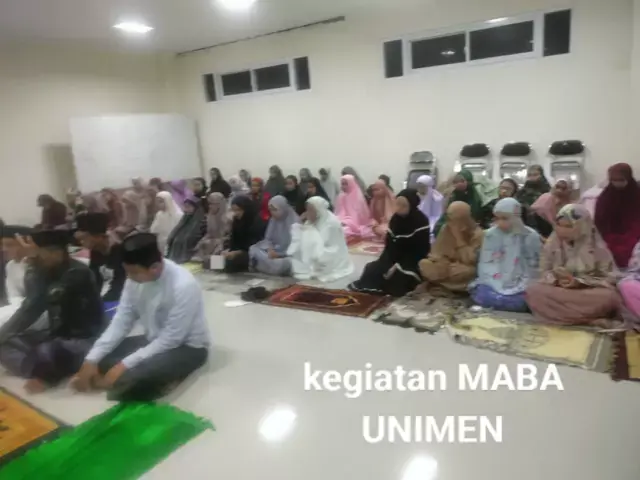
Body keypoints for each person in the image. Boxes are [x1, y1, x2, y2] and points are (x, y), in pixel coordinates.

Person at [71, 233, 210, 402]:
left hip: (187, 347)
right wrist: (91, 360)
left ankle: (150, 379)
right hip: (152, 339)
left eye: (134, 272)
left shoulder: (184, 285)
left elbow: (172, 339)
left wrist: (123, 365)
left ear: (155, 267)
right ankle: (115, 376)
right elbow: (122, 320)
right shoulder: (134, 279)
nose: (129, 277)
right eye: (127, 272)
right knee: (92, 356)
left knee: (134, 379)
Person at [0, 230, 105, 393]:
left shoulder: (78, 273)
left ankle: (47, 372)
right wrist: (3, 334)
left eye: (39, 253)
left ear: (57, 253)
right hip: (55, 335)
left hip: (83, 339)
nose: (37, 257)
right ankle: (45, 369)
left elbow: (41, 300)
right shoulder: (45, 268)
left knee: (47, 350)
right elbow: (28, 310)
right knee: (6, 342)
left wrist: (33, 267)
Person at [526, 204, 620, 328]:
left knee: (610, 297)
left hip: (586, 293)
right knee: (534, 291)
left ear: (583, 225)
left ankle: (564, 317)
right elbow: (544, 271)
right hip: (559, 290)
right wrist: (556, 278)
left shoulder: (597, 247)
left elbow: (611, 278)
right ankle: (589, 320)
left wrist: (579, 282)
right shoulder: (553, 243)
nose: (562, 230)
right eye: (559, 225)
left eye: (569, 226)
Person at [349, 190, 430, 296]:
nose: (399, 208)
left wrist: (398, 265)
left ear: (412, 205)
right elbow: (390, 245)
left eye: (404, 205)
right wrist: (387, 261)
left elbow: (420, 249)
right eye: (398, 204)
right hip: (393, 256)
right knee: (372, 269)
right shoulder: (395, 219)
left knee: (399, 278)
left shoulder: (421, 221)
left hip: (412, 259)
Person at [471, 198, 542, 312]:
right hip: (494, 282)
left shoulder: (530, 236)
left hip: (521, 284)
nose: (500, 222)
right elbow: (485, 263)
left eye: (505, 218)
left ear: (516, 217)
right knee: (482, 293)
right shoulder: (491, 235)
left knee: (530, 297)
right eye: (497, 218)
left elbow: (534, 267)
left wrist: (517, 282)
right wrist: (498, 281)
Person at [419, 201, 484, 295]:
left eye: (455, 219)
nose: (450, 222)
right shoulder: (446, 228)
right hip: (448, 266)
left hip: (463, 269)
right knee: (424, 264)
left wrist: (459, 238)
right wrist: (444, 263)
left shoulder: (478, 234)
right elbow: (436, 254)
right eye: (449, 218)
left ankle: (443, 284)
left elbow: (471, 260)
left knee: (469, 272)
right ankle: (449, 285)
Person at [288, 196, 354, 282]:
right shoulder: (311, 221)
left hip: (331, 254)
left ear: (318, 210)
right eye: (307, 210)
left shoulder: (331, 223)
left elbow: (333, 248)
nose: (307, 213)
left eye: (311, 210)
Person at [594, 163, 640, 268]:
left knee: (631, 249)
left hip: (633, 235)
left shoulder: (637, 195)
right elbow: (599, 222)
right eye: (614, 180)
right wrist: (608, 237)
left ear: (628, 178)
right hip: (609, 236)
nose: (617, 183)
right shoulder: (605, 197)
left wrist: (631, 236)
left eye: (621, 180)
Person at [75, 213, 127, 304]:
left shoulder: (120, 251)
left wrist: (100, 302)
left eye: (84, 238)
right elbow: (94, 278)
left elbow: (120, 285)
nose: (81, 243)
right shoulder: (96, 250)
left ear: (99, 236)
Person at [249, 196, 299, 276]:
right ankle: (268, 266)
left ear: (283, 208)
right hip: (273, 252)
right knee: (253, 249)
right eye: (270, 210)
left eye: (275, 210)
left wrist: (279, 254)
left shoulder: (295, 222)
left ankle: (263, 266)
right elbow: (268, 238)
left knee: (285, 263)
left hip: (286, 255)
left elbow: (296, 247)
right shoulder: (273, 220)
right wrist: (270, 249)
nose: (272, 213)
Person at [432, 169, 484, 237]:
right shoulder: (453, 195)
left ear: (468, 182)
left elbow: (474, 217)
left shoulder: (475, 198)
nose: (458, 183)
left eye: (462, 181)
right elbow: (446, 214)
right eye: (456, 181)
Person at [224, 196, 266, 273]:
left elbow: (255, 244)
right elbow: (234, 240)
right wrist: (229, 251)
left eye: (239, 210)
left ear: (246, 209)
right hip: (237, 252)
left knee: (230, 263)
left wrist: (238, 252)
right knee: (214, 261)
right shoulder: (237, 221)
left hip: (253, 254)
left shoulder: (256, 222)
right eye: (234, 210)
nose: (236, 213)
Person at [166, 196, 205, 264]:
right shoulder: (185, 218)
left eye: (188, 207)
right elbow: (176, 230)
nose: (186, 209)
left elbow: (195, 236)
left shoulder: (202, 221)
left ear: (196, 208)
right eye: (185, 207)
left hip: (195, 250)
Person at [1, 225, 33, 300]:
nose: (4, 249)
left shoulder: (34, 264)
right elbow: (13, 295)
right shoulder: (10, 265)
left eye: (10, 245)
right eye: (2, 245)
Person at [336, 174, 373, 238]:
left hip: (355, 223)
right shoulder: (341, 196)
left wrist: (346, 222)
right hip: (344, 220)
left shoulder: (357, 197)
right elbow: (340, 211)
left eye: (345, 184)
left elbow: (357, 217)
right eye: (342, 184)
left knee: (344, 230)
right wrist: (341, 220)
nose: (343, 186)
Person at [196, 192, 229, 258]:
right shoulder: (210, 216)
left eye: (212, 204)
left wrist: (218, 242)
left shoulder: (228, 218)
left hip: (224, 246)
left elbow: (228, 237)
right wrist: (201, 241)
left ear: (219, 204)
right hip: (211, 243)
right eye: (209, 204)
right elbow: (209, 233)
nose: (210, 206)